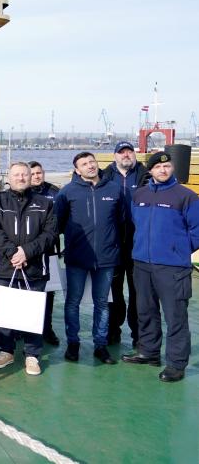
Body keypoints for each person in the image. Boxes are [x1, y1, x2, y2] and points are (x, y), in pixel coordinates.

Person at [122, 151, 199, 382]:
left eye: (167, 167)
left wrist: (178, 250)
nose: (163, 170)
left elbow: (196, 230)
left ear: (172, 168)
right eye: (157, 167)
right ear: (151, 170)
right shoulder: (139, 195)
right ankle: (149, 351)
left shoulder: (186, 196)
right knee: (145, 311)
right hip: (143, 263)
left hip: (172, 267)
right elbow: (136, 223)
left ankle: (176, 364)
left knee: (175, 316)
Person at [0, 161, 57, 376]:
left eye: (25, 174)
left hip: (34, 268)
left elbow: (50, 234)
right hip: (5, 267)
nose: (21, 178)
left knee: (32, 311)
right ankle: (6, 350)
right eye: (17, 175)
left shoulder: (45, 203)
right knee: (6, 312)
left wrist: (26, 252)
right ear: (9, 177)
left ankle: (32, 354)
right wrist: (12, 253)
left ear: (31, 177)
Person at [54, 152, 126, 365]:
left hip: (106, 258)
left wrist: (114, 245)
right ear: (77, 170)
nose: (90, 166)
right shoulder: (67, 192)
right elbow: (59, 222)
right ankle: (73, 344)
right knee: (72, 302)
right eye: (84, 164)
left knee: (102, 303)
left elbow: (121, 220)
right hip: (77, 257)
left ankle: (100, 345)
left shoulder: (114, 190)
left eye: (92, 162)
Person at [100, 141, 149, 347]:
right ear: (115, 156)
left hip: (140, 244)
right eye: (121, 152)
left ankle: (139, 335)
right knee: (114, 291)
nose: (126, 155)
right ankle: (113, 330)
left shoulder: (146, 176)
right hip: (114, 244)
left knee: (140, 292)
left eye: (129, 151)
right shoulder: (104, 177)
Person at [29, 160, 61, 346]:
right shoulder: (23, 193)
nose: (36, 177)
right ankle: (23, 328)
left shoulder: (54, 193)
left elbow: (63, 218)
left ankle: (46, 328)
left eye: (39, 173)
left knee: (48, 292)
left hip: (49, 250)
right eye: (32, 174)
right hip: (29, 251)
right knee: (27, 290)